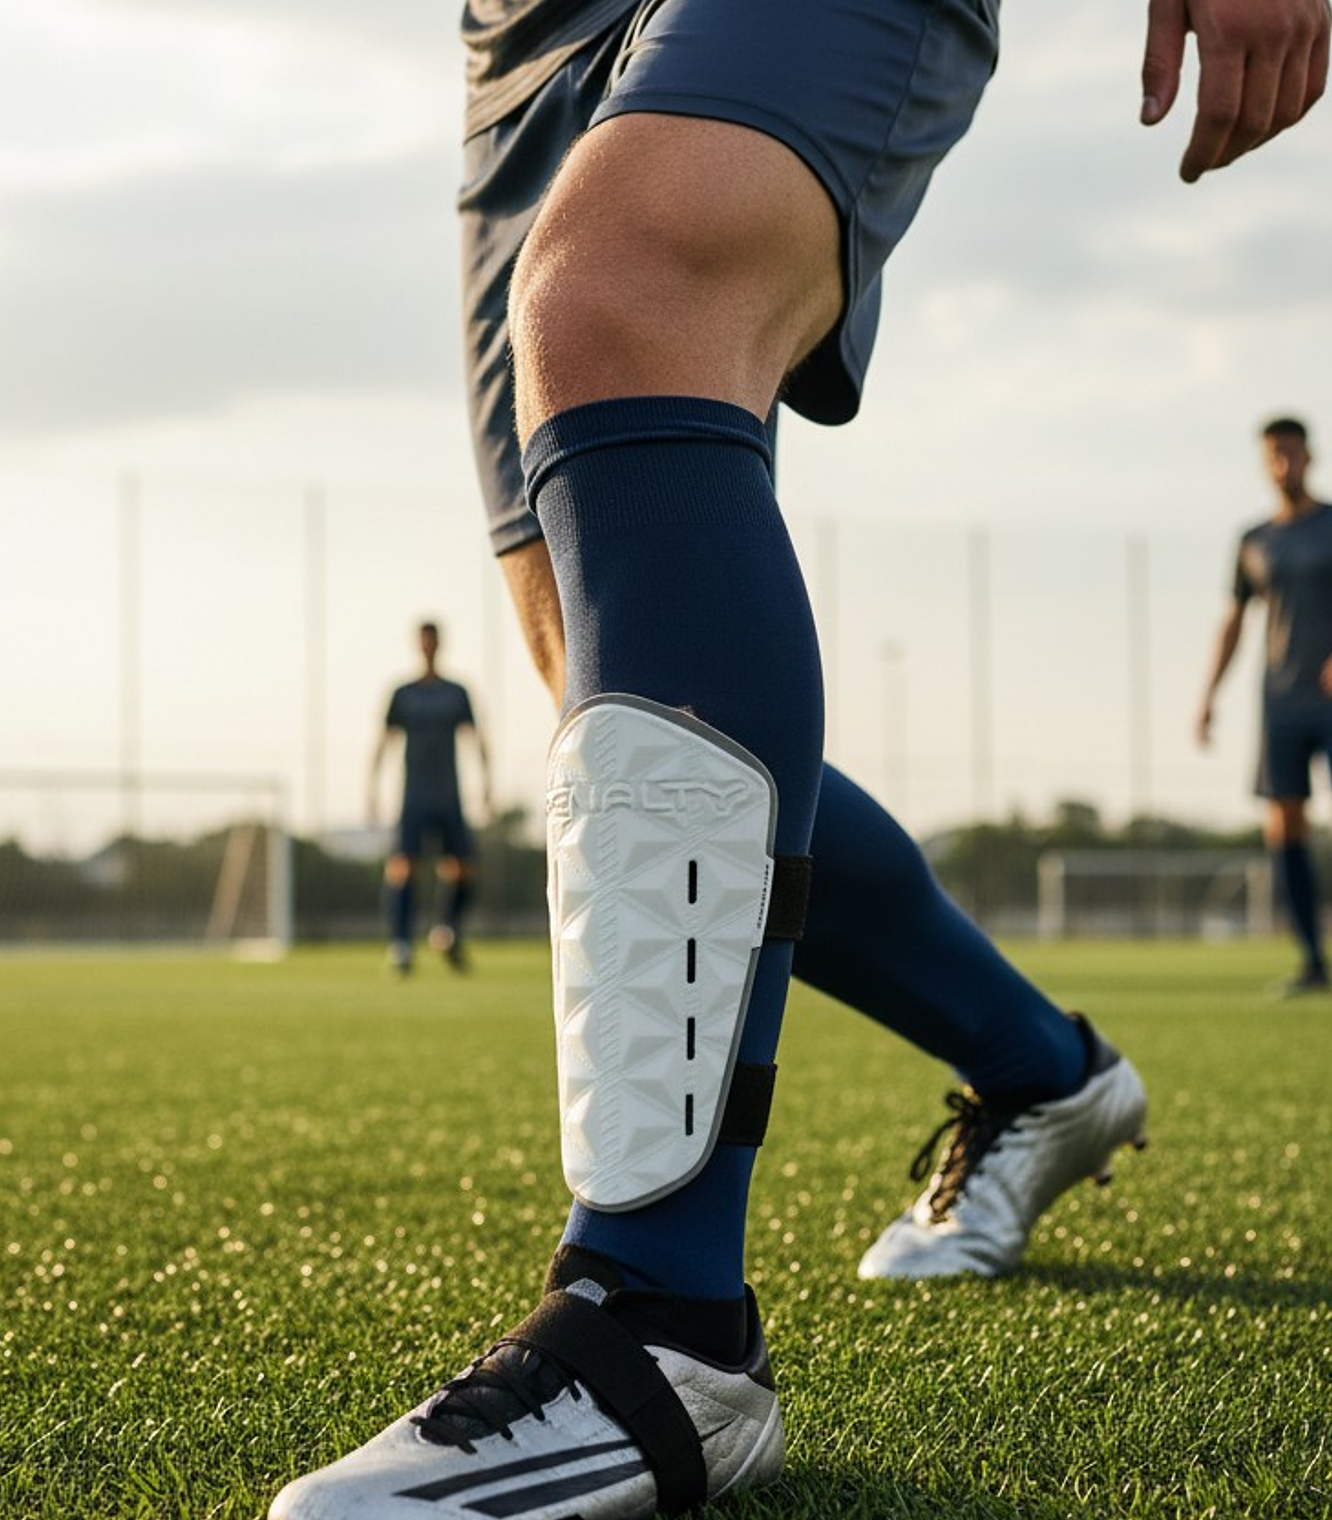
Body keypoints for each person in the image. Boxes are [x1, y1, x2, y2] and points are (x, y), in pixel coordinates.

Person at [273, 1, 1328, 1515]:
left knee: (627, 283)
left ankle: (666, 1322)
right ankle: (1046, 1073)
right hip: (524, 24)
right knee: (616, 684)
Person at [1197, 416, 1332, 995]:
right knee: (1285, 828)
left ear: (1310, 456)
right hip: (1279, 703)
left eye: (1292, 453)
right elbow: (1233, 620)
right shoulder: (1254, 539)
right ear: (1265, 462)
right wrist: (1208, 695)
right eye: (1274, 455)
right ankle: (1312, 961)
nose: (1284, 464)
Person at [368, 620, 491, 974]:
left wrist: (486, 782)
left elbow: (475, 737)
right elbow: (385, 740)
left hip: (449, 795)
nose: (428, 647)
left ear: (439, 644)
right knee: (404, 867)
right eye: (423, 641)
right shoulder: (403, 693)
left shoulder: (456, 692)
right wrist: (372, 788)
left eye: (433, 641)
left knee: (464, 868)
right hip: (414, 795)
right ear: (417, 645)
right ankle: (401, 945)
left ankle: (446, 929)